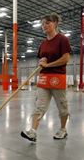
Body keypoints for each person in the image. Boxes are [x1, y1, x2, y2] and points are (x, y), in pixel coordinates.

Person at [21, 13, 72, 142]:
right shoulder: (43, 43)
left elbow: (65, 58)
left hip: (57, 77)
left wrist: (48, 65)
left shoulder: (62, 39)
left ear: (55, 23)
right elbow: (42, 59)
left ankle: (63, 130)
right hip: (44, 77)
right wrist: (43, 61)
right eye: (42, 23)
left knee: (62, 106)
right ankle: (32, 132)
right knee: (39, 106)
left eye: (47, 23)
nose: (44, 26)